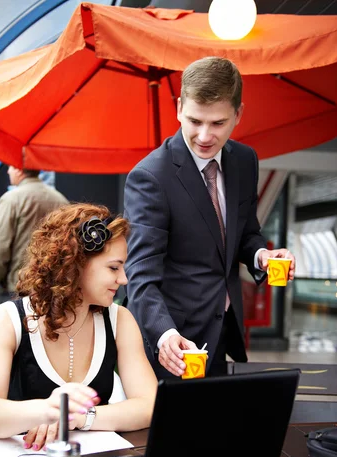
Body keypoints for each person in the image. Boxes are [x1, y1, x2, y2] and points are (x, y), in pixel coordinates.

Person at [123, 56, 296, 378]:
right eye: (194, 121)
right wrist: (165, 334)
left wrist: (261, 255)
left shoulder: (245, 160)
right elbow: (140, 274)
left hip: (223, 332)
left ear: (238, 114)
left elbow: (245, 233)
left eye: (218, 123)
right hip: (173, 343)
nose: (204, 136)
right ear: (178, 108)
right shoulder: (149, 176)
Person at [0, 203, 158, 450]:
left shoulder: (120, 320)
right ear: (75, 264)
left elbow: (151, 405)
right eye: (114, 267)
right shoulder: (7, 320)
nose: (123, 279)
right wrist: (47, 410)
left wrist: (79, 417)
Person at [0, 165, 69, 298]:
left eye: (11, 167)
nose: (8, 171)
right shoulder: (60, 200)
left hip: (19, 286)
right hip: (53, 288)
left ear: (19, 170)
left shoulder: (11, 200)